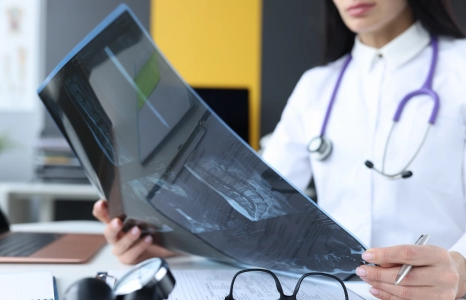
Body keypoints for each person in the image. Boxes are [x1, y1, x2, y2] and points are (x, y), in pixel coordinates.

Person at [93, 0, 466, 298]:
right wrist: (161, 242)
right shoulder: (316, 87)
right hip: (333, 292)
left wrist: (460, 270)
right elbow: (254, 216)